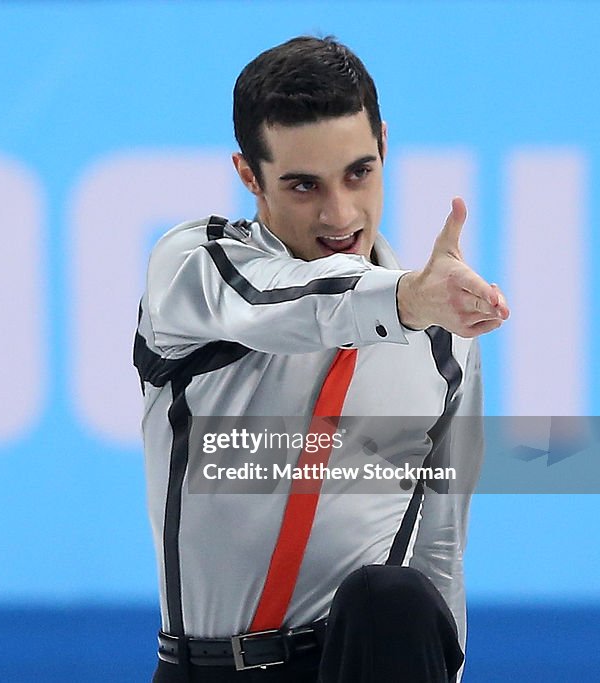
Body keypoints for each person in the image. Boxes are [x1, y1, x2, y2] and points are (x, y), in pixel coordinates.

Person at [134, 36, 510, 683]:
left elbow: (440, 546)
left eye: (358, 173)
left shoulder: (443, 338)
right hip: (210, 668)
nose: (339, 214)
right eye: (303, 185)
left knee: (394, 599)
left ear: (385, 145)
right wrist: (406, 298)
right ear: (249, 176)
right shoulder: (195, 273)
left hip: (353, 662)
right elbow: (302, 305)